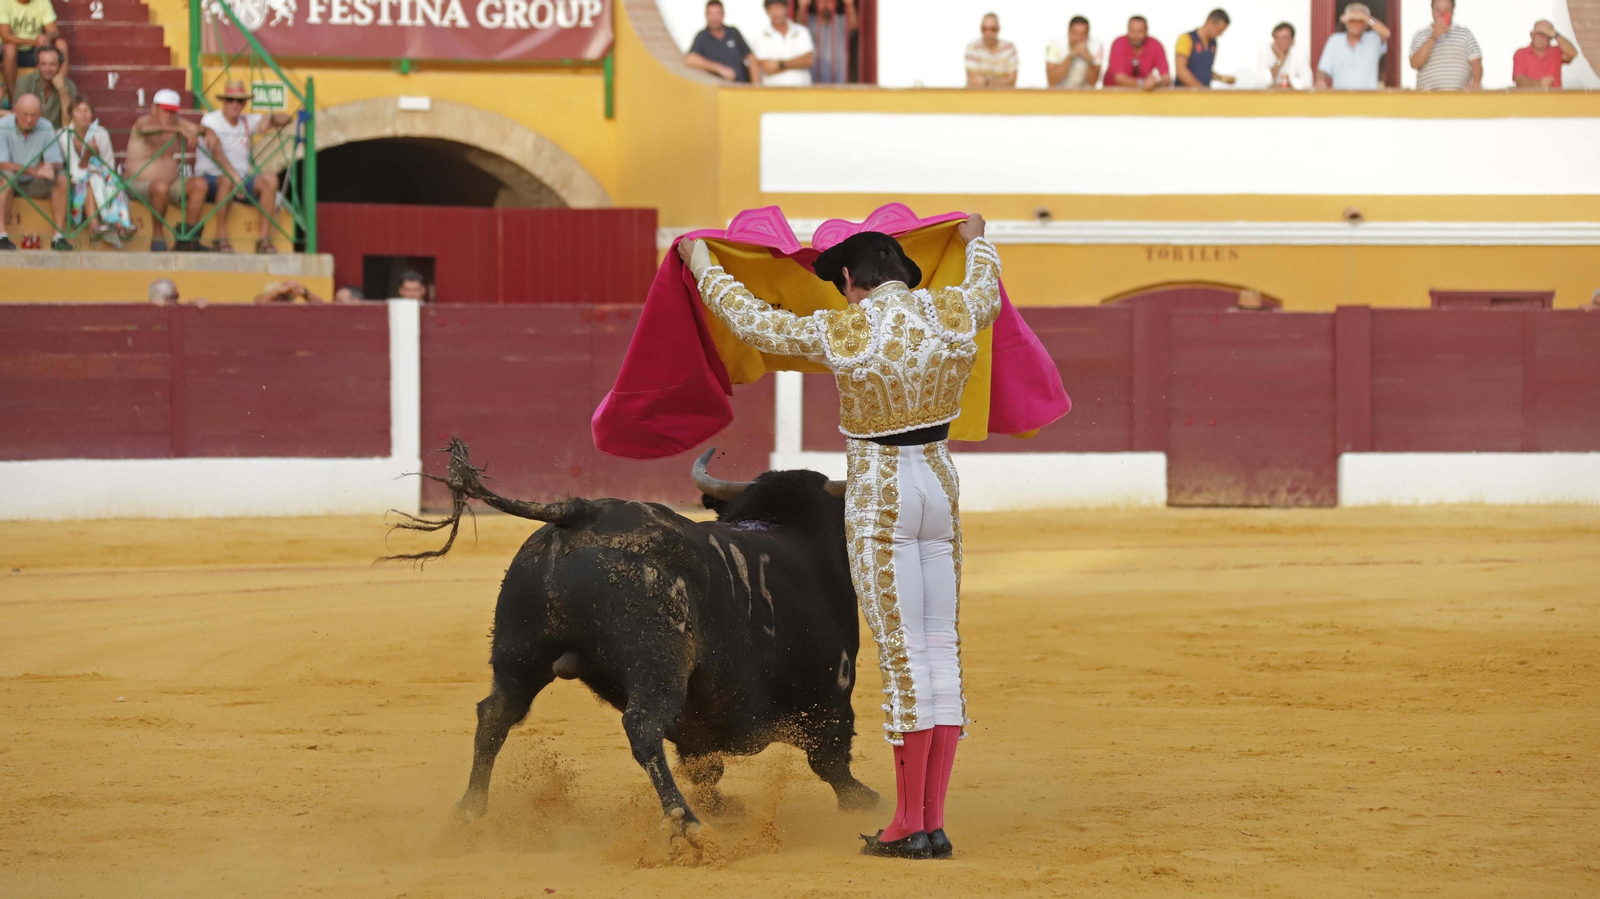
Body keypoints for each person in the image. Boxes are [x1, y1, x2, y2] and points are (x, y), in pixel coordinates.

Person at [677, 213, 999, 861]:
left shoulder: (846, 327)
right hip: (940, 485)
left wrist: (701, 262)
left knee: (905, 656)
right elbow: (988, 280)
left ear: (850, 279)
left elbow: (749, 320)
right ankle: (929, 820)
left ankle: (911, 824)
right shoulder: (956, 310)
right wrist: (975, 240)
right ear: (905, 276)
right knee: (942, 649)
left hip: (880, 492)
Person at [186, 79, 290, 253]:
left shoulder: (247, 120)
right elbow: (216, 151)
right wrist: (234, 176)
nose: (234, 104)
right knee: (226, 181)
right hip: (211, 178)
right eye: (230, 100)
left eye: (239, 101)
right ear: (223, 101)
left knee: (270, 179)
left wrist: (270, 118)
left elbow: (287, 118)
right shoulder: (211, 120)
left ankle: (264, 241)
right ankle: (220, 238)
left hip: (240, 179)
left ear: (245, 103)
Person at [125, 88, 200, 252]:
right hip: (138, 183)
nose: (169, 116)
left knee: (199, 184)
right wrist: (179, 130)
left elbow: (199, 130)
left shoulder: (176, 122)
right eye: (165, 111)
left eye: (173, 112)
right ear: (154, 108)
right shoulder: (143, 121)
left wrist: (210, 133)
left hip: (170, 182)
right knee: (161, 186)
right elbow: (145, 130)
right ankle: (157, 235)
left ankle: (188, 237)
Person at [58, 96, 135, 248]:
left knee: (112, 181)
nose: (83, 115)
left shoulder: (101, 133)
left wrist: (100, 173)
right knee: (91, 179)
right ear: (71, 114)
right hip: (74, 184)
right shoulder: (64, 134)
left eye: (86, 111)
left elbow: (109, 164)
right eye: (78, 111)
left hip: (102, 179)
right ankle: (102, 226)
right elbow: (75, 169)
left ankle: (119, 226)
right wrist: (87, 155)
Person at [0, 93, 69, 250]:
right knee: (7, 176)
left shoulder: (45, 126)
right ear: (15, 110)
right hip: (9, 181)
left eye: (34, 115)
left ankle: (58, 236)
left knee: (62, 179)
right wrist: (35, 170)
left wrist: (50, 167)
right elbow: (2, 164)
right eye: (25, 115)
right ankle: (1, 234)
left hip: (32, 182)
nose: (30, 120)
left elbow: (56, 161)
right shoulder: (3, 125)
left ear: (40, 114)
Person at [1, 0, 67, 111]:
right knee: (9, 48)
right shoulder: (4, 2)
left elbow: (54, 31)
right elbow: (5, 36)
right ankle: (15, 102)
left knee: (61, 44)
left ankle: (61, 93)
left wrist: (46, 37)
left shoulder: (42, 2)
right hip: (12, 50)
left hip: (34, 50)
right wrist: (33, 41)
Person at [1316, 3, 1391, 90]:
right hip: (1341, 98)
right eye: (1352, 20)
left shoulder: (1373, 39)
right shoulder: (1335, 40)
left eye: (1359, 21)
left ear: (1365, 24)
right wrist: (1320, 80)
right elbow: (1323, 69)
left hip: (1368, 98)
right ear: (1346, 23)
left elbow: (1387, 34)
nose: (1355, 24)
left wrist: (1366, 17)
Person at [1409, 0, 1480, 91]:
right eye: (1438, 11)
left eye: (1446, 11)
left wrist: (1476, 82)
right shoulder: (1421, 35)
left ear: (1453, 11)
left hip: (1460, 95)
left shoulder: (1465, 34)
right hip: (1428, 97)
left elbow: (1475, 61)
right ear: (1432, 11)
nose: (1442, 15)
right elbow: (1414, 63)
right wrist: (1434, 37)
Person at [684, 0, 755, 83]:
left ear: (723, 14)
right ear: (706, 15)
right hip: (719, 89)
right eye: (711, 14)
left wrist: (756, 86)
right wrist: (720, 69)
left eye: (717, 14)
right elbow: (691, 59)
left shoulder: (733, 32)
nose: (714, 18)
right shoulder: (702, 37)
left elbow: (751, 58)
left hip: (742, 87)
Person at [748, 0, 814, 87]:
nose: (775, 13)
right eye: (771, 9)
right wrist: (796, 62)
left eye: (778, 8)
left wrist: (780, 64)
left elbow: (808, 60)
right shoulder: (761, 36)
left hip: (802, 92)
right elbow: (767, 67)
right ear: (766, 11)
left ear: (786, 8)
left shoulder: (801, 31)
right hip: (773, 94)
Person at [1103, 15, 1170, 90]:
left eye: (1140, 31)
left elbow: (1166, 78)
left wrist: (1156, 82)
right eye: (1132, 31)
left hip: (1144, 95)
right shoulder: (1119, 43)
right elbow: (1120, 79)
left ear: (1146, 31)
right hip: (1115, 93)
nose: (1135, 35)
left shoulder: (1155, 45)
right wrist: (1143, 83)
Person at [798, 0, 855, 85]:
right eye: (821, 1)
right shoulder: (809, 21)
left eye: (830, 1)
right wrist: (802, 7)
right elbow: (796, 29)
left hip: (838, 79)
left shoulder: (841, 21)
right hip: (812, 78)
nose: (825, 5)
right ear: (815, 4)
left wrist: (850, 4)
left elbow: (854, 26)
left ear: (836, 4)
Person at [1175, 8, 1235, 88]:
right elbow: (1181, 71)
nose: (1220, 34)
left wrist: (1221, 78)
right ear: (1210, 22)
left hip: (1203, 96)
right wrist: (1201, 90)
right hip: (1184, 95)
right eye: (1218, 30)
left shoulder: (1213, 44)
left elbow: (1204, 70)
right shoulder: (1186, 39)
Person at [13, 43, 69, 126]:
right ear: (37, 66)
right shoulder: (25, 82)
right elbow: (18, 118)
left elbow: (70, 124)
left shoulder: (68, 85)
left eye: (52, 64)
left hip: (57, 136)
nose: (47, 69)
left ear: (59, 66)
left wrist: (62, 90)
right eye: (43, 64)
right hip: (31, 134)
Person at [1512, 21, 1578, 90]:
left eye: (1545, 35)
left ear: (1550, 38)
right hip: (1529, 99)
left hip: (1555, 99)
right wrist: (1539, 84)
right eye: (1538, 34)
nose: (1541, 38)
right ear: (1532, 35)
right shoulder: (1521, 54)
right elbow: (1519, 80)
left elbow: (1573, 53)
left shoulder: (1556, 52)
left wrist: (1556, 34)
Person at [1046, 15, 1103, 89]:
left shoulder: (1097, 46)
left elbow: (1093, 82)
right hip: (1059, 92)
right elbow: (1052, 80)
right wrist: (1071, 56)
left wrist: (1089, 60)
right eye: (1075, 33)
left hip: (1085, 94)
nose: (1078, 38)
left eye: (1083, 34)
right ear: (1068, 32)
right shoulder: (1055, 44)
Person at [964, 13, 1017, 88]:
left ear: (998, 29)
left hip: (1003, 97)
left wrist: (985, 82)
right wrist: (1002, 81)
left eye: (992, 29)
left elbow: (1012, 81)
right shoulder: (973, 48)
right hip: (977, 97)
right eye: (984, 29)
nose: (988, 33)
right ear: (980, 29)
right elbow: (973, 80)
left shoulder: (1009, 48)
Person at [1256, 22, 1312, 89]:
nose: (1280, 41)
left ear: (1292, 41)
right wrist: (1279, 60)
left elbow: (1308, 82)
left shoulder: (1299, 52)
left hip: (1293, 96)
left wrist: (1288, 85)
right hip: (1269, 96)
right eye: (1277, 38)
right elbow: (1262, 83)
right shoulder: (1265, 51)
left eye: (1285, 38)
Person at [254, 280, 326, 304]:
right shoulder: (268, 304)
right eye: (280, 296)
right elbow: (258, 303)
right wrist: (278, 290)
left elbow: (320, 305)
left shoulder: (292, 308)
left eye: (286, 297)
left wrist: (305, 293)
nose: (281, 300)